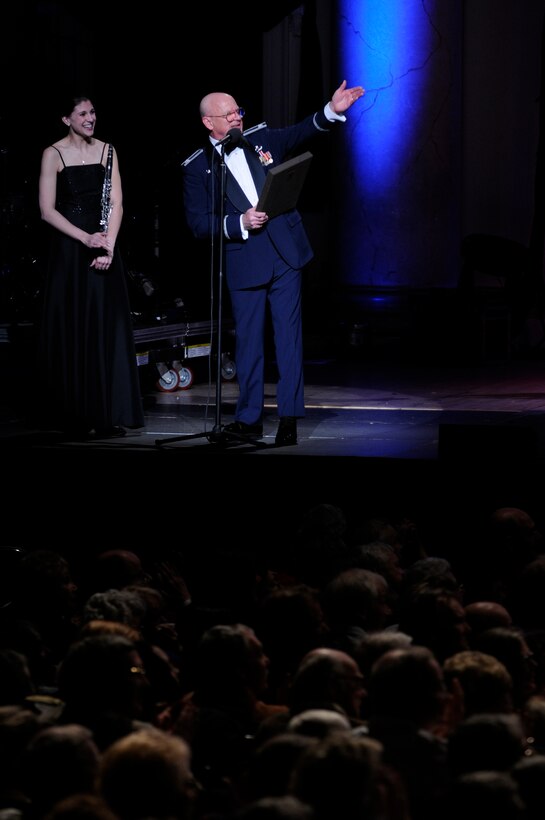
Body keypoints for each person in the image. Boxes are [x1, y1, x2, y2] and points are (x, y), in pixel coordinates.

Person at [182, 80, 364, 446]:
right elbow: (198, 223)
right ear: (208, 123)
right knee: (248, 344)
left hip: (284, 252)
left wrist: (331, 111)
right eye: (228, 114)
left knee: (288, 340)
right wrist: (238, 223)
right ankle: (248, 419)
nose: (236, 118)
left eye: (238, 111)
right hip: (244, 259)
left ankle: (289, 419)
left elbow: (299, 133)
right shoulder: (198, 166)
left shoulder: (260, 139)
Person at [37, 93, 145, 438]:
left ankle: (107, 415)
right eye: (82, 113)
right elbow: (47, 210)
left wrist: (109, 246)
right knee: (74, 330)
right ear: (66, 119)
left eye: (93, 111)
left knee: (105, 331)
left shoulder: (108, 150)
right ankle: (75, 417)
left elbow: (117, 202)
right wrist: (85, 240)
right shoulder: (52, 154)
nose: (90, 117)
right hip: (71, 253)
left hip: (105, 249)